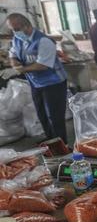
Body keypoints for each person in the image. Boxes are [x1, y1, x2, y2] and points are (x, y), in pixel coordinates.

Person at [7, 13, 69, 143]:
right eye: (12, 30)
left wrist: (20, 70)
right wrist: (15, 63)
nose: (15, 32)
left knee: (55, 115)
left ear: (27, 26)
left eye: (16, 29)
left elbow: (42, 65)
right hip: (36, 83)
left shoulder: (44, 41)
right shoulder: (17, 39)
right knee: (42, 114)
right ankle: (50, 139)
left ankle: (61, 144)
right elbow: (13, 54)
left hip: (53, 83)